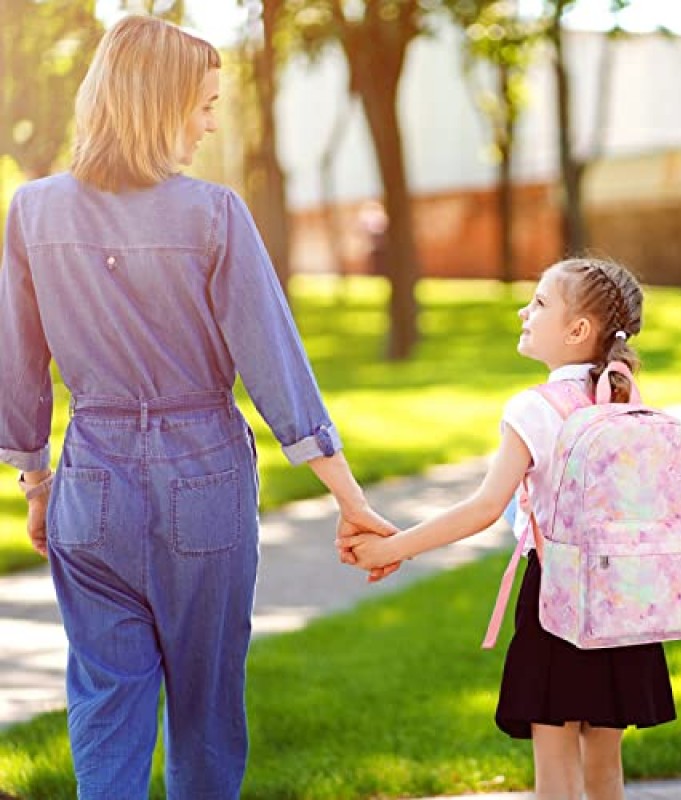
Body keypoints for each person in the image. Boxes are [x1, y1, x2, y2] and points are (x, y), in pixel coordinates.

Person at [0, 15, 395, 800]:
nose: (212, 121)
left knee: (107, 701)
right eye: (204, 103)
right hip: (203, 478)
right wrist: (351, 502)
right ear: (158, 103)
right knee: (207, 708)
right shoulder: (213, 215)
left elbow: (16, 370)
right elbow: (277, 369)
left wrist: (38, 486)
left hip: (92, 485)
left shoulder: (33, 211)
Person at [341, 257, 676, 800]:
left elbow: (483, 508)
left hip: (558, 602)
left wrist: (394, 547)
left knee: (556, 773)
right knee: (605, 772)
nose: (525, 310)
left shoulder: (535, 408)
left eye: (540, 302)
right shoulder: (625, 397)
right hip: (625, 600)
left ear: (578, 330)